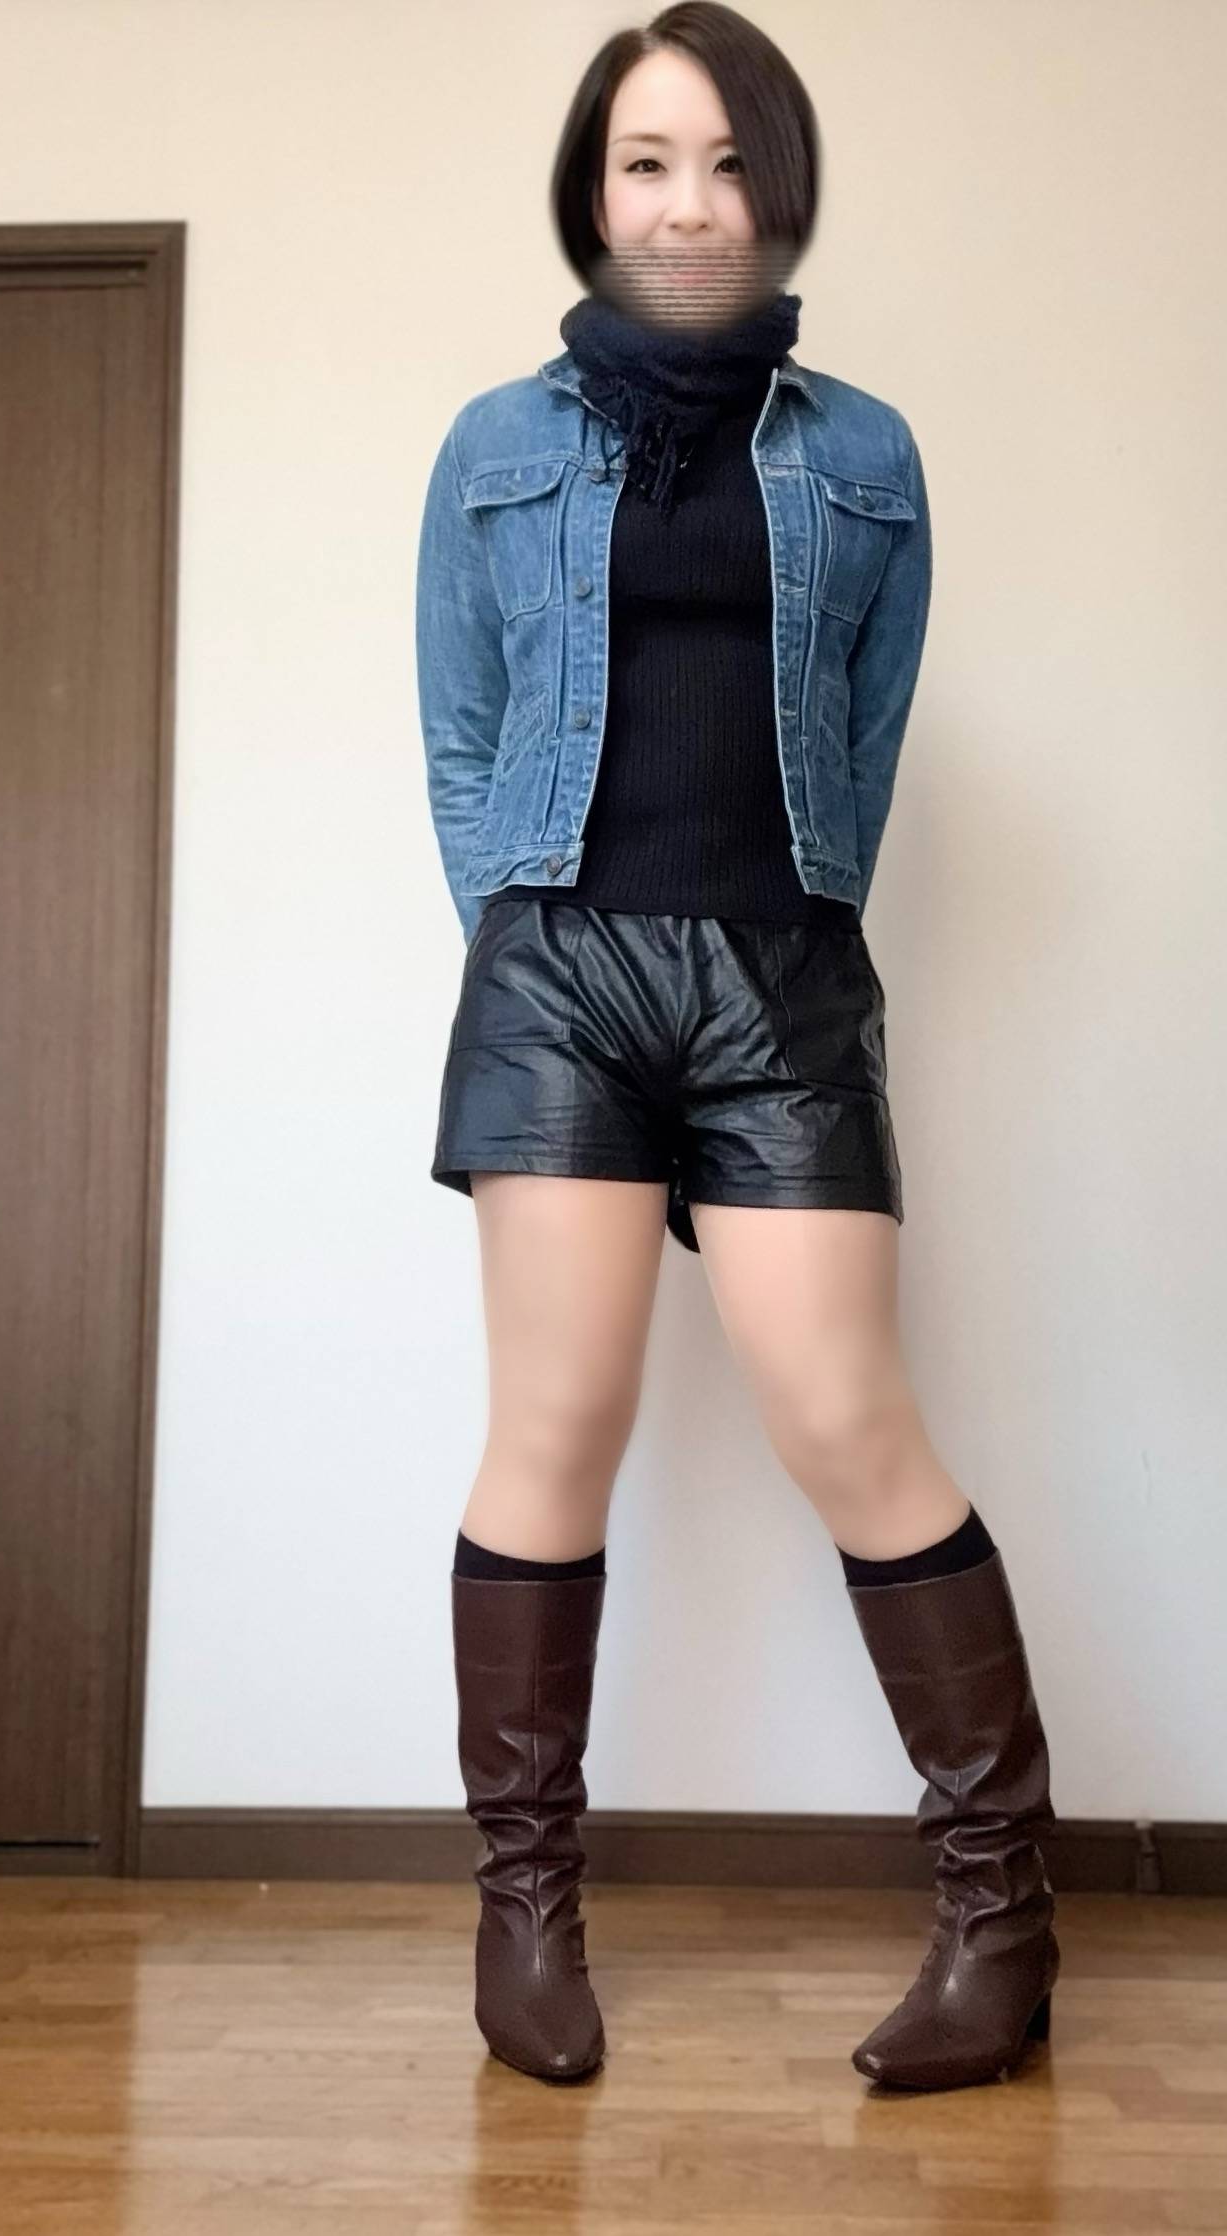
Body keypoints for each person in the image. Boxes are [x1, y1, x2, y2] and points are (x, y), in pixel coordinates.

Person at [415, 0, 1058, 2091]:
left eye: (725, 164)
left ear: (778, 194)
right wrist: (531, 940)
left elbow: (861, 741)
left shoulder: (864, 453)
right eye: (645, 162)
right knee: (554, 1423)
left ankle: (1000, 1923)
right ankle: (525, 1912)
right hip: (558, 974)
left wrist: (779, 932)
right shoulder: (491, 448)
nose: (688, 203)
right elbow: (460, 741)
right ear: (590, 195)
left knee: (848, 1420)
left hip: (780, 980)